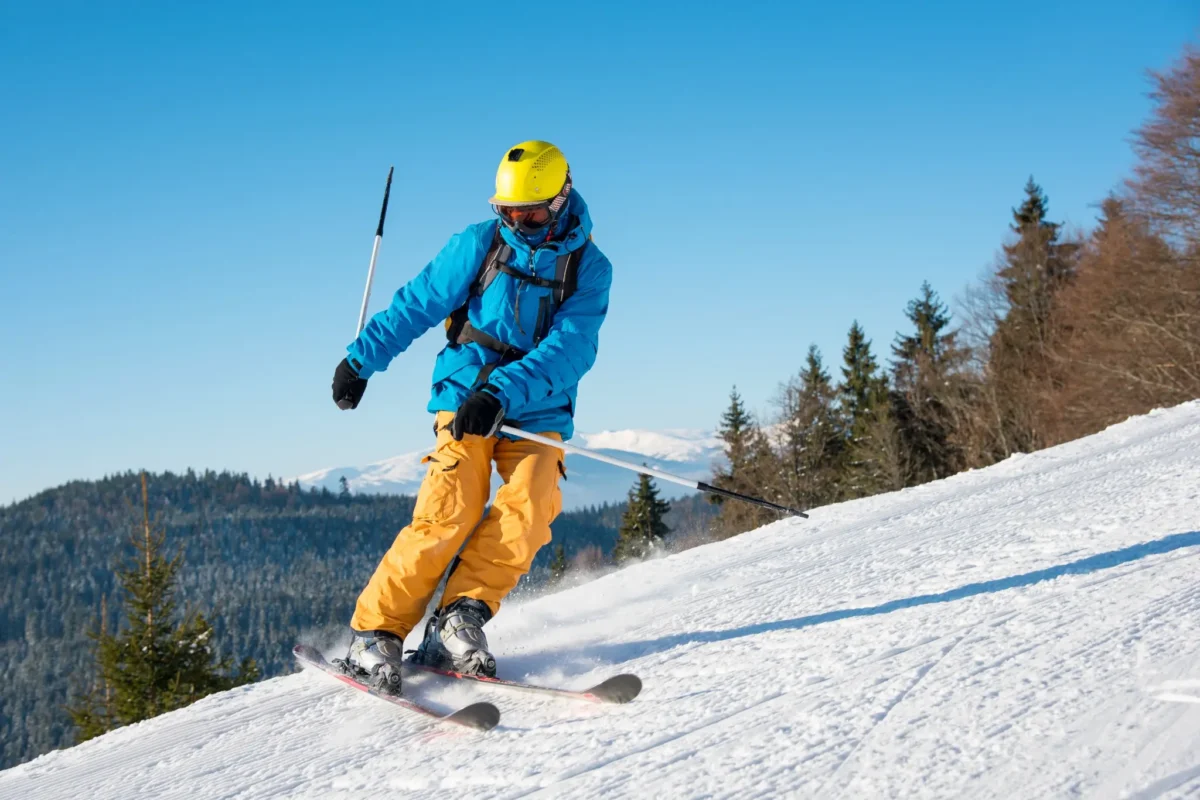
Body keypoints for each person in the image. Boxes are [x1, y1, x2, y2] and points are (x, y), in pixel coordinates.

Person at [330, 140, 612, 692]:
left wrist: (504, 390)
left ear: (561, 200)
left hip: (537, 403)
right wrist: (361, 360)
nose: (518, 224)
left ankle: (458, 620)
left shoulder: (589, 267)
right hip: (465, 392)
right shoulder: (480, 243)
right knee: (450, 507)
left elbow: (573, 348)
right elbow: (418, 302)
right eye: (508, 211)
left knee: (531, 506)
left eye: (531, 214)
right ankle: (376, 633)